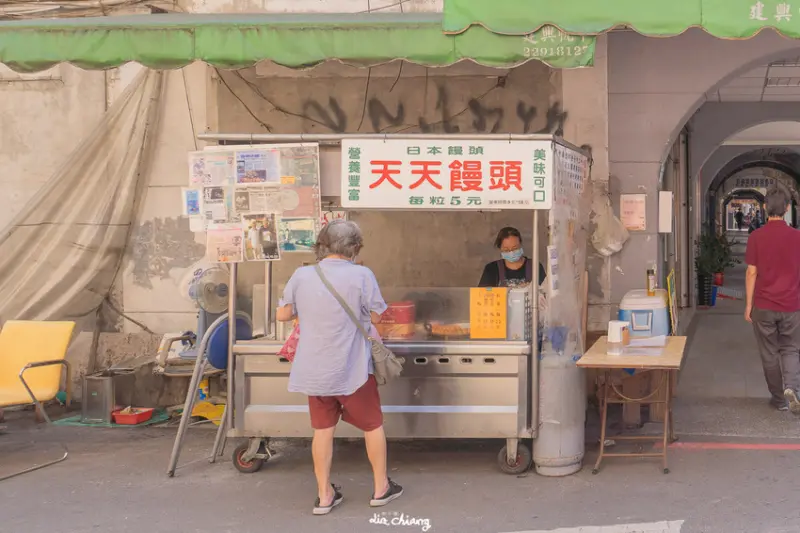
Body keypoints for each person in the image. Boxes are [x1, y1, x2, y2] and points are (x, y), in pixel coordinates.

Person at [275, 220, 402, 515]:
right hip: (352, 368)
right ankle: (381, 488)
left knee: (322, 430)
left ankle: (324, 495)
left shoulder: (302, 274)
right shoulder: (362, 274)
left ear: (322, 245)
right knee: (372, 426)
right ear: (355, 247)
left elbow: (283, 314)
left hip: (314, 369)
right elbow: (377, 314)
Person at [744, 186, 800, 414]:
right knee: (791, 349)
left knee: (769, 353)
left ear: (765, 207)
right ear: (787, 208)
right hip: (792, 305)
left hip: (764, 305)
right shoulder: (797, 237)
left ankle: (778, 399)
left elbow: (751, 272)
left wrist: (748, 305)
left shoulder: (756, 237)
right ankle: (792, 388)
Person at [478, 226, 546, 288]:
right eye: (506, 250)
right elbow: (481, 296)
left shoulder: (535, 267)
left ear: (520, 244)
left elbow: (546, 293)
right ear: (500, 249)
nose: (511, 252)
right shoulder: (491, 269)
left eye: (515, 248)